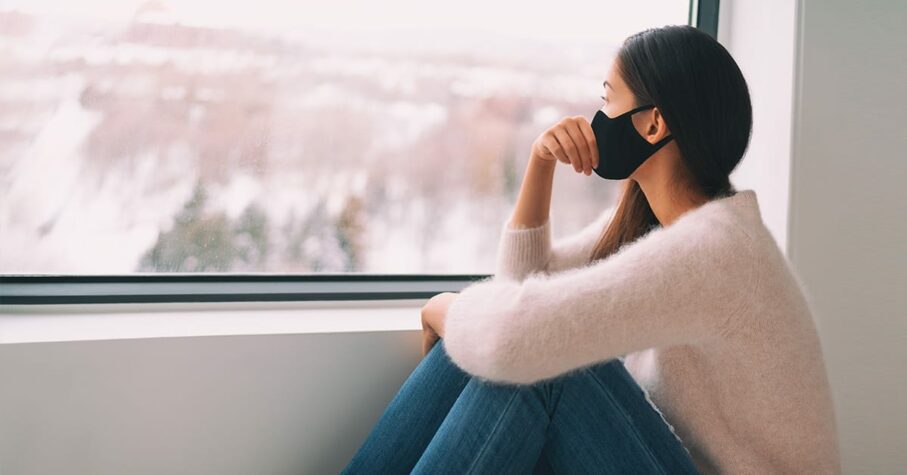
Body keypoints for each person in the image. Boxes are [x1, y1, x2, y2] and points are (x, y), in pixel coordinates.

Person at [343, 25, 841, 474]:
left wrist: (443, 308)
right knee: (499, 343)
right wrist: (540, 164)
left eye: (608, 101)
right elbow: (522, 292)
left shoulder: (715, 252)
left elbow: (512, 339)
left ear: (652, 125)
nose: (597, 119)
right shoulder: (661, 225)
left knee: (538, 359)